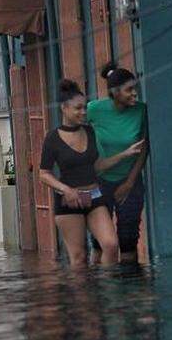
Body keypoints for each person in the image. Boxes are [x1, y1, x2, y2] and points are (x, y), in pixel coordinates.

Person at [39, 79, 144, 267]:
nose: (84, 112)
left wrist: (125, 154)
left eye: (85, 108)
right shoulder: (52, 138)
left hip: (94, 196)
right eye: (78, 109)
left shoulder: (90, 132)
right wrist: (66, 189)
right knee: (79, 258)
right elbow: (44, 173)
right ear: (64, 108)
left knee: (111, 245)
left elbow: (97, 166)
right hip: (69, 200)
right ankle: (84, 296)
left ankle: (107, 292)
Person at [88, 63, 149, 264]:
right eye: (129, 90)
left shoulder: (141, 111)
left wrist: (130, 182)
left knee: (129, 238)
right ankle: (96, 287)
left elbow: (144, 148)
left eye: (135, 88)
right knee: (99, 241)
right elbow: (74, 129)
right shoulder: (95, 109)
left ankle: (130, 289)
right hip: (99, 182)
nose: (134, 94)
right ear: (115, 92)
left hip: (130, 181)